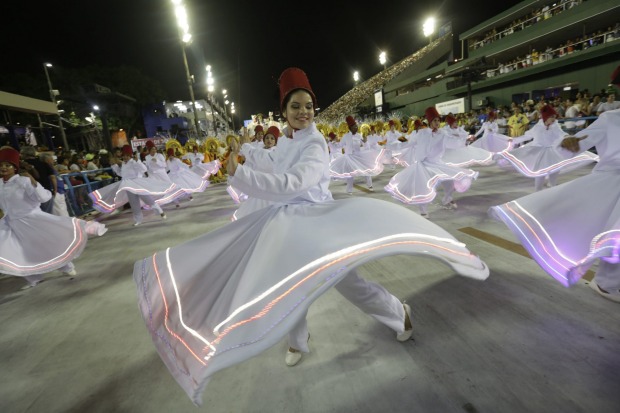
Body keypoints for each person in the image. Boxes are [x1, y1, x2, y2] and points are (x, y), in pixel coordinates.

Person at [131, 67, 489, 406]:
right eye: (295, 106)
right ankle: (297, 341)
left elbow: (293, 183)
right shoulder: (288, 139)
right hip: (287, 223)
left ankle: (400, 314)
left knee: (350, 284)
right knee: (288, 283)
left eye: (308, 106)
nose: (304, 112)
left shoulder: (315, 144)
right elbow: (272, 162)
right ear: (284, 110)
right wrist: (244, 154)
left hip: (317, 224)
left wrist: (241, 174)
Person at [489, 65, 620, 302]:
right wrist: (570, 143)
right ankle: (606, 283)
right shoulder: (610, 118)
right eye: (548, 116)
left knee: (613, 234)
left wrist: (564, 142)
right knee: (543, 179)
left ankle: (607, 281)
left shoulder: (557, 125)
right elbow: (579, 139)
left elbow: (563, 136)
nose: (550, 119)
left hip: (558, 157)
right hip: (610, 179)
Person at [0, 146, 107, 290]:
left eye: (7, 165)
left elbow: (44, 197)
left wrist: (33, 182)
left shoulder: (23, 181)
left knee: (47, 243)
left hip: (32, 219)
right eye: (1, 165)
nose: (3, 168)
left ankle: (66, 266)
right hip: (12, 223)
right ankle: (33, 277)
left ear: (15, 167)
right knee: (20, 250)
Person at [385, 107, 479, 217]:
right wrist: (391, 146)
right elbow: (408, 144)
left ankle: (447, 198)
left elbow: (452, 142)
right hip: (423, 164)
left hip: (437, 163)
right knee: (424, 188)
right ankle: (423, 210)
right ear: (430, 121)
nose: (437, 123)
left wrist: (466, 140)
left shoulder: (442, 134)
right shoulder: (421, 133)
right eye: (435, 120)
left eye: (438, 120)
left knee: (450, 181)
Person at [495, 104, 598, 191]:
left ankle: (552, 189)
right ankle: (538, 191)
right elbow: (528, 135)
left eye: (554, 116)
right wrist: (514, 140)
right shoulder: (538, 127)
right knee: (540, 173)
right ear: (545, 117)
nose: (554, 119)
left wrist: (571, 137)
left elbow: (562, 134)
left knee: (554, 171)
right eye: (551, 117)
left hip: (552, 152)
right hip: (539, 152)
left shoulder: (556, 126)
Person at [89, 145, 179, 226]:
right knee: (134, 203)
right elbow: (122, 174)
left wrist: (137, 162)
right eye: (124, 156)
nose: (125, 157)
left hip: (137, 183)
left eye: (127, 155)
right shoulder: (124, 164)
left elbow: (144, 169)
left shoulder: (133, 162)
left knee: (147, 198)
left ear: (130, 155)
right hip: (127, 184)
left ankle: (159, 211)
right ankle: (138, 220)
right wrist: (114, 166)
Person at [329, 115, 384, 194]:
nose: (356, 128)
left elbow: (366, 146)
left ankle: (370, 185)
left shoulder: (359, 136)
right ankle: (349, 190)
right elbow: (339, 145)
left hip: (359, 156)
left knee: (366, 170)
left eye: (356, 126)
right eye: (354, 126)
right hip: (349, 157)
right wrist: (332, 143)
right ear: (350, 128)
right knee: (350, 175)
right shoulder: (346, 136)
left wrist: (365, 141)